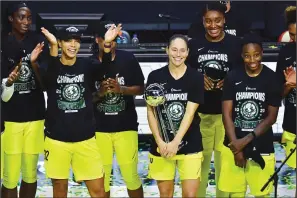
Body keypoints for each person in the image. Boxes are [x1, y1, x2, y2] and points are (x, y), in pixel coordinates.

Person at [39, 24, 121, 197]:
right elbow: (50, 77)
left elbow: (106, 70)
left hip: (85, 139)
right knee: (60, 190)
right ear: (60, 43)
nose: (73, 45)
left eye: (76, 41)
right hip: (56, 140)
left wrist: (106, 44)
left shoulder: (87, 65)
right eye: (68, 40)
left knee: (98, 191)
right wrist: (53, 47)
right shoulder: (50, 66)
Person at [186, 2, 242, 197]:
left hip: (227, 116)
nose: (213, 25)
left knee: (225, 165)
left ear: (224, 20)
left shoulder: (236, 44)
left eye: (217, 20)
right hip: (200, 115)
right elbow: (182, 75)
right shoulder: (193, 45)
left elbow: (244, 76)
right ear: (203, 21)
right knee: (199, 163)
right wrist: (197, 80)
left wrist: (228, 82)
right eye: (208, 21)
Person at [219, 33, 282, 197]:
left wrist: (244, 142)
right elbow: (226, 114)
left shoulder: (272, 78)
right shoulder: (232, 76)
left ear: (262, 53)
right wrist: (236, 147)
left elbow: (271, 117)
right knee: (235, 193)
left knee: (262, 194)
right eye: (247, 56)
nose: (252, 60)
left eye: (256, 55)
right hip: (233, 146)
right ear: (242, 56)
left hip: (262, 147)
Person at [90, 21, 144, 198]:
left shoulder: (128, 58)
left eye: (114, 39)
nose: (111, 43)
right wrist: (100, 93)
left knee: (131, 177)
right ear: (98, 39)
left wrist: (122, 90)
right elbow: (85, 98)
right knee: (101, 179)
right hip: (98, 129)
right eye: (107, 39)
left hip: (125, 126)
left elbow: (140, 88)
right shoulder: (89, 63)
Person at [146, 34, 204, 198]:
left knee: (190, 195)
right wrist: (160, 141)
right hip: (162, 145)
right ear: (167, 50)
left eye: (182, 50)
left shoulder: (195, 77)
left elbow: (190, 113)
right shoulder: (155, 77)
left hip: (190, 143)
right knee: (165, 194)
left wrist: (175, 143)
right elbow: (151, 112)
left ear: (187, 53)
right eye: (174, 50)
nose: (178, 54)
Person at [1, 2, 49, 198]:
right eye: (21, 17)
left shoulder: (38, 42)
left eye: (29, 18)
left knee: (30, 175)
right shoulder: (2, 43)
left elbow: (45, 83)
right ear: (11, 18)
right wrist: (9, 81)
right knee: (10, 177)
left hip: (35, 117)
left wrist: (35, 63)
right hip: (9, 119)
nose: (26, 21)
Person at [275, 6, 296, 172]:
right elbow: (278, 95)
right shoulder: (286, 53)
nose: (295, 39)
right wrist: (288, 86)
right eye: (293, 35)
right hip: (292, 124)